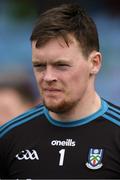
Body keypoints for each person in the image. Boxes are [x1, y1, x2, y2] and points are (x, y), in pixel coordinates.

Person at [0, 3, 120, 179]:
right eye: (39, 66)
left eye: (61, 65)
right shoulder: (9, 137)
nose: (48, 77)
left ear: (94, 63)